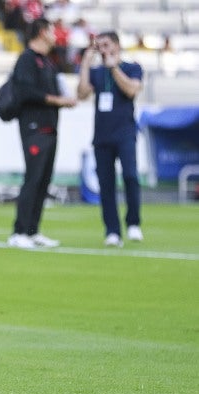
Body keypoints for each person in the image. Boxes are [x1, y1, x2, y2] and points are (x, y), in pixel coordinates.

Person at [8, 17, 76, 249]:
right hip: (34, 127)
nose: (55, 34)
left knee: (44, 180)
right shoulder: (27, 59)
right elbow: (25, 92)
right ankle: (19, 232)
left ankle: (33, 229)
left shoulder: (48, 62)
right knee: (33, 177)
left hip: (50, 126)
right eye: (50, 30)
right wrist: (56, 100)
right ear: (40, 32)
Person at [77, 31, 144, 247]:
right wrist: (86, 64)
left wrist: (113, 67)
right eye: (100, 46)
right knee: (106, 185)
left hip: (125, 133)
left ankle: (133, 223)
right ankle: (112, 230)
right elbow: (82, 94)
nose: (103, 50)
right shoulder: (97, 73)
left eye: (106, 45)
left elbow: (132, 90)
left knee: (130, 177)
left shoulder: (131, 67)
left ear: (116, 45)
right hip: (102, 136)